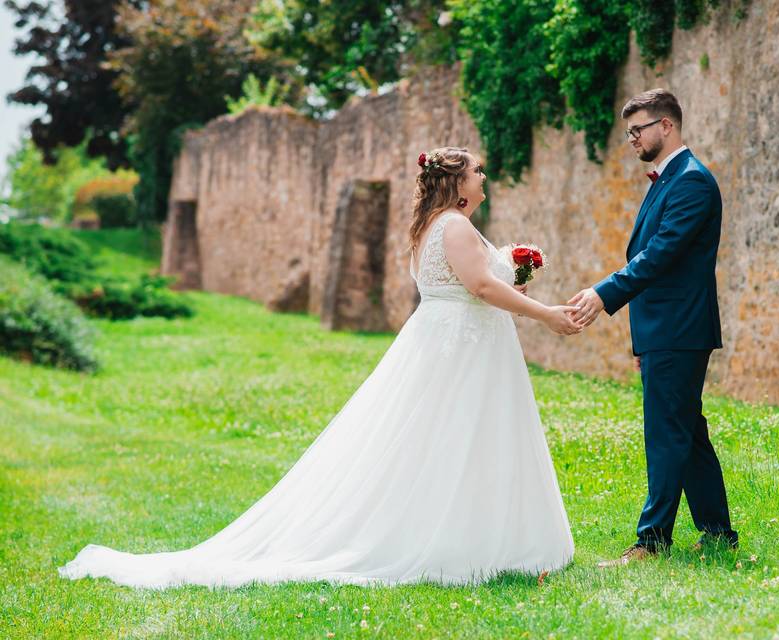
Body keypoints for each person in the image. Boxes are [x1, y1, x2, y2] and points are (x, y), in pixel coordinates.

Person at [58, 146, 578, 588]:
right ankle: (449, 539)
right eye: (477, 172)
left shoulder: (432, 227)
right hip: (459, 349)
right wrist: (547, 315)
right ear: (458, 184)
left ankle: (471, 531)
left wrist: (515, 288)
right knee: (454, 434)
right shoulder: (457, 227)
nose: (483, 178)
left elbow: (471, 288)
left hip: (452, 340)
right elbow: (483, 288)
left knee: (449, 437)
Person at [568, 90, 738, 566]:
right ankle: (719, 533)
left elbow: (661, 254)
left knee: (666, 432)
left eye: (637, 130)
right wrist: (641, 336)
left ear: (667, 126)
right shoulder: (668, 180)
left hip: (680, 328)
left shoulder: (692, 182)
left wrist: (604, 294)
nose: (631, 140)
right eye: (628, 133)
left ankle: (652, 542)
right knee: (686, 430)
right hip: (665, 329)